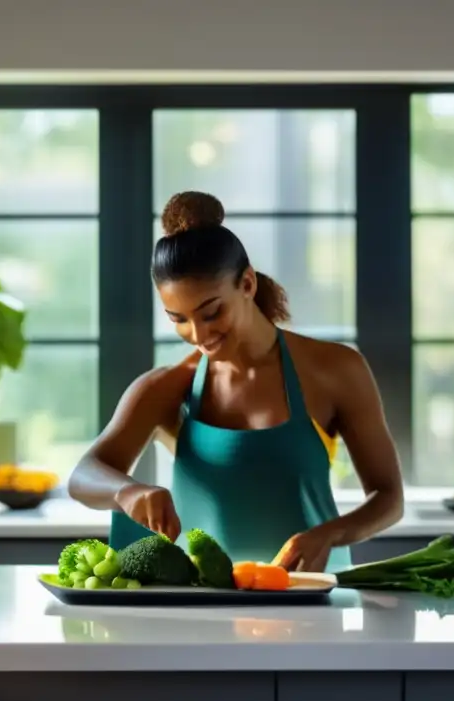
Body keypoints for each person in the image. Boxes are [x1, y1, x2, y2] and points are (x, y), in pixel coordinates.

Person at [69, 191, 403, 572]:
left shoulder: (336, 369)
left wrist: (328, 533)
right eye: (179, 319)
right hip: (204, 608)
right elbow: (84, 475)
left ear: (246, 284)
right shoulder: (167, 388)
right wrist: (127, 491)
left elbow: (389, 498)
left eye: (211, 313)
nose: (198, 334)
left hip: (315, 599)